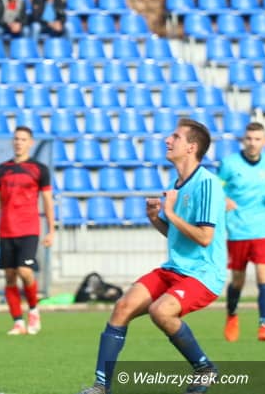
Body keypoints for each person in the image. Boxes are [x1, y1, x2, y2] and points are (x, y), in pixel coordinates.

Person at [77, 119, 226, 394]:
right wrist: (156, 219)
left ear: (191, 147)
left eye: (175, 137)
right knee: (122, 307)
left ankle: (205, 369)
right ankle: (101, 387)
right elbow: (177, 234)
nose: (168, 140)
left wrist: (169, 213)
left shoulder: (207, 184)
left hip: (204, 273)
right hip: (174, 268)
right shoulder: (175, 184)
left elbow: (205, 237)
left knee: (161, 311)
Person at [0, 126, 55, 335]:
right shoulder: (2, 169)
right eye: (16, 139)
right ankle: (18, 322)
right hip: (6, 230)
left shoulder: (39, 169)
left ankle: (33, 309)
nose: (18, 142)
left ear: (30, 143)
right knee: (9, 276)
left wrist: (51, 229)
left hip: (29, 228)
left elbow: (47, 200)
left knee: (25, 271)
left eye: (23, 139)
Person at [218, 121, 265, 342]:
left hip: (263, 229)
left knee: (264, 275)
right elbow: (216, 188)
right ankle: (232, 315)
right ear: (243, 140)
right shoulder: (229, 164)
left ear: (264, 142)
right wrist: (223, 199)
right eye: (249, 138)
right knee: (237, 280)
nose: (252, 143)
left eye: (257, 139)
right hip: (238, 230)